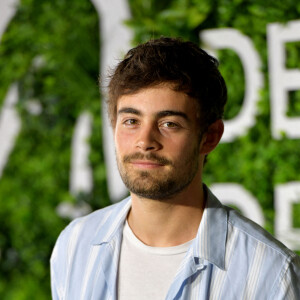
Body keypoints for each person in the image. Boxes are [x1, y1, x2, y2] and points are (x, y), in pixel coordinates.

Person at [50, 37, 300, 300]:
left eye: (169, 124)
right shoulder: (74, 246)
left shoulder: (270, 275)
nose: (145, 141)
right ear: (113, 126)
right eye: (131, 120)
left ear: (210, 137)